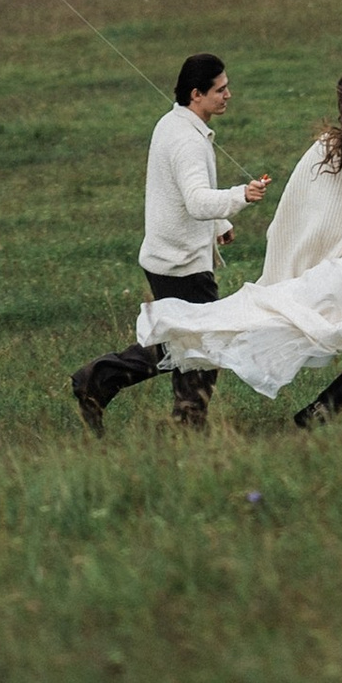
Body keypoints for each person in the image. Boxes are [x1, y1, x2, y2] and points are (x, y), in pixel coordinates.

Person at [133, 64, 342, 425]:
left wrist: (285, 278)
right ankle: (321, 412)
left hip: (332, 278)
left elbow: (291, 219)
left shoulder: (323, 149)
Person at [70, 52, 271, 435]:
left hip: (167, 255)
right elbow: (195, 201)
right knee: (203, 345)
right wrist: (241, 196)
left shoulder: (173, 123)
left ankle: (172, 414)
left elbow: (179, 191)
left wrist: (218, 223)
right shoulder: (188, 141)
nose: (228, 95)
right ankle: (104, 382)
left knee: (187, 341)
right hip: (181, 263)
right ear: (196, 94)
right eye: (220, 89)